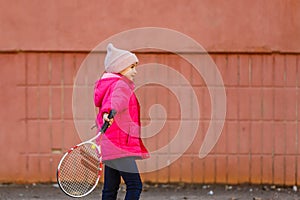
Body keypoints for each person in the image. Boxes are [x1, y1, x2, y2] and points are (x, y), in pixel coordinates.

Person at [94, 43, 150, 200]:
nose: (135, 71)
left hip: (111, 145)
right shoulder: (121, 85)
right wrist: (108, 112)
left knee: (110, 188)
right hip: (120, 145)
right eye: (132, 67)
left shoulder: (110, 84)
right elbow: (115, 102)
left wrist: (107, 111)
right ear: (120, 68)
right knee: (134, 185)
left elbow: (112, 101)